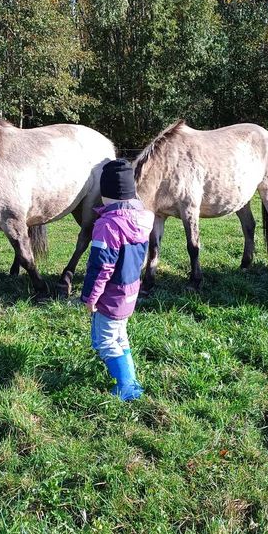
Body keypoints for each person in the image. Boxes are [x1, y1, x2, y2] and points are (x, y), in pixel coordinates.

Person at [81, 159, 155, 400]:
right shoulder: (142, 220)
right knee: (119, 336)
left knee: (104, 341)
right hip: (130, 291)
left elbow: (101, 267)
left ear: (106, 194)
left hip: (111, 295)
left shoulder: (108, 226)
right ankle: (131, 381)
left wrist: (90, 298)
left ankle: (126, 386)